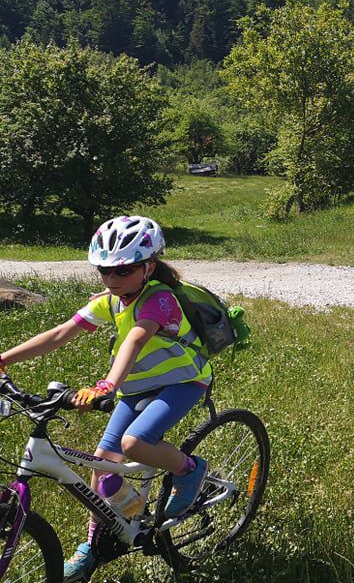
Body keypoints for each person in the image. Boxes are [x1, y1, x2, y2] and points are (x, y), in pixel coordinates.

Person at [0, 216, 212, 582]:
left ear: (148, 267)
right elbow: (61, 333)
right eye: (104, 271)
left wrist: (107, 385)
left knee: (133, 443)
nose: (112, 279)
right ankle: (94, 545)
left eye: (123, 270)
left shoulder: (160, 299)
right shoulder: (112, 301)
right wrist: (3, 358)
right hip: (137, 387)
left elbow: (136, 339)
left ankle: (190, 470)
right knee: (102, 465)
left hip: (182, 382)